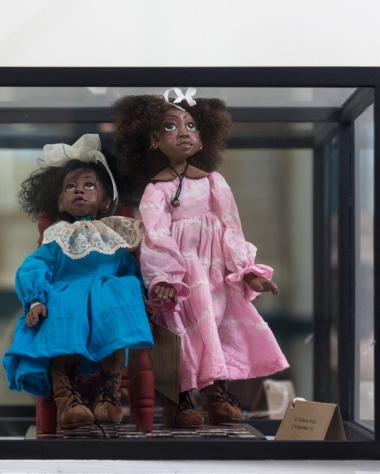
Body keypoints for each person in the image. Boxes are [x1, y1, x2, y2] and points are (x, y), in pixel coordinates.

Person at [113, 89, 288, 428]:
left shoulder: (213, 183)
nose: (183, 132)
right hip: (182, 279)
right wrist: (165, 277)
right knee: (178, 337)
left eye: (191, 125)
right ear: (153, 140)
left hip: (214, 274)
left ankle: (217, 393)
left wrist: (247, 270)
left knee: (216, 332)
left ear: (204, 137)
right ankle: (178, 402)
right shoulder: (156, 190)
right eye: (170, 126)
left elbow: (231, 227)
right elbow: (155, 235)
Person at [2, 134, 154, 430]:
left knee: (119, 296)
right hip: (66, 299)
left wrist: (140, 295)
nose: (79, 191)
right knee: (60, 310)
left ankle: (109, 394)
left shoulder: (113, 235)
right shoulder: (58, 237)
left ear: (105, 199)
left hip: (107, 301)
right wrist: (35, 299)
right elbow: (34, 266)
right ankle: (67, 396)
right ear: (60, 200)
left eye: (89, 185)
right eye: (70, 187)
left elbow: (128, 268)